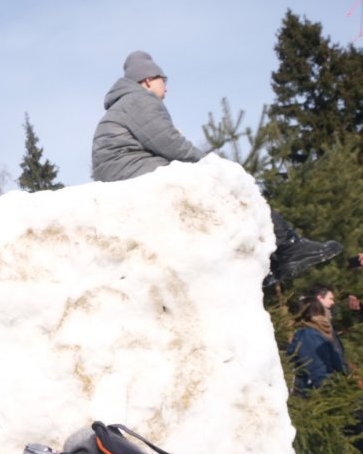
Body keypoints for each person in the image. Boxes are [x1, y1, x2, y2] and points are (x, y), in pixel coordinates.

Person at [92, 50, 343, 285]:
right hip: (132, 170)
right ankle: (288, 248)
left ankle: (264, 260)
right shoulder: (139, 100)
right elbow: (173, 145)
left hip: (126, 170)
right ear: (147, 79)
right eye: (163, 79)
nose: (166, 87)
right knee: (226, 186)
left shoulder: (126, 103)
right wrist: (215, 166)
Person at [287, 294, 351, 454]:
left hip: (321, 387)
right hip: (314, 390)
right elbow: (314, 365)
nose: (328, 310)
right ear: (316, 311)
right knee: (313, 431)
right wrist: (325, 388)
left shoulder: (319, 331)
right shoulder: (308, 334)